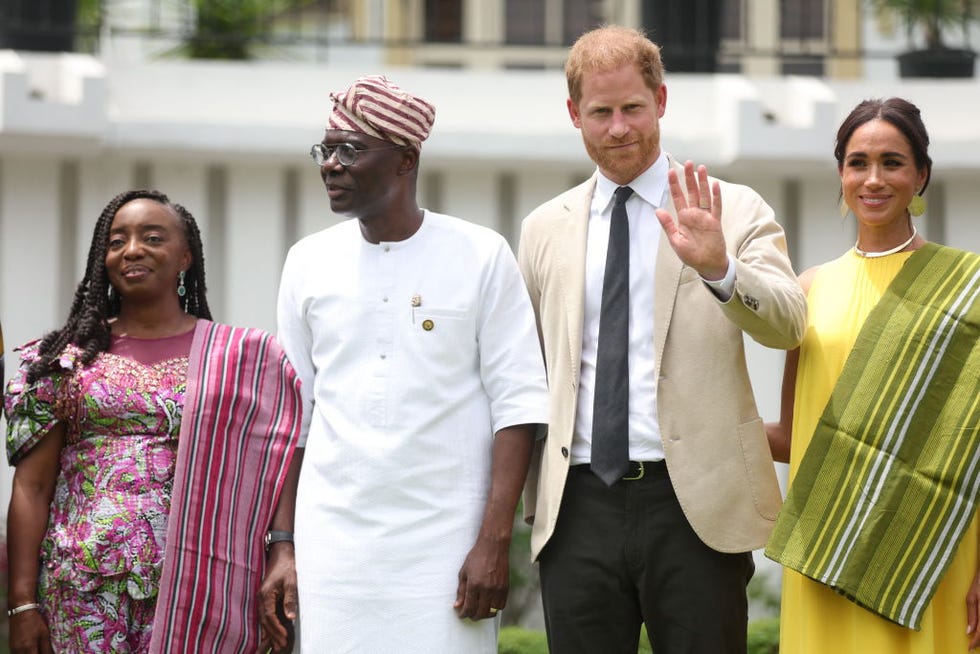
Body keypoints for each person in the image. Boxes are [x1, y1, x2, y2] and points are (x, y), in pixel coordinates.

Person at [516, 25, 807, 653]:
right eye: (601, 112)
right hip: (577, 506)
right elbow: (527, 371)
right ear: (575, 115)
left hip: (694, 503)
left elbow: (789, 322)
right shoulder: (543, 228)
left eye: (633, 108)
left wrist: (718, 268)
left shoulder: (734, 208)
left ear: (661, 102)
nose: (619, 127)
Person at [261, 74, 549, 653]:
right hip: (333, 547)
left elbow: (518, 405)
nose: (331, 165)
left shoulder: (480, 253)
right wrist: (283, 544)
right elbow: (293, 420)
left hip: (445, 543)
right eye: (326, 149)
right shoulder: (307, 262)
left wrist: (494, 541)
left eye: (351, 149)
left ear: (405, 160)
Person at [4, 189, 303, 653]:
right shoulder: (66, 361)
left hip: (202, 586)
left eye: (152, 237)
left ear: (185, 256)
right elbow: (32, 486)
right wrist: (22, 604)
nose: (132, 250)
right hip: (81, 586)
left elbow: (280, 460)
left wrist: (282, 548)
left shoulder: (242, 358)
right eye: (117, 240)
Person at [765, 98, 980, 653]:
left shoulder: (968, 290)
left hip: (933, 550)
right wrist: (687, 418)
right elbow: (793, 437)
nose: (874, 179)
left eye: (893, 162)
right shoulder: (809, 289)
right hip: (825, 544)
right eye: (858, 162)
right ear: (840, 174)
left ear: (921, 175)